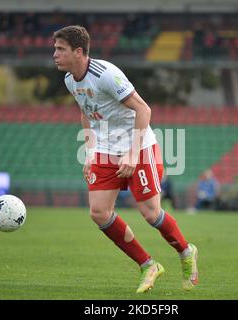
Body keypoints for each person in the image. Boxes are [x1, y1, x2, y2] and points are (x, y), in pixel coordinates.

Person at [53, 25, 198, 293]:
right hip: (106, 148)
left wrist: (132, 153)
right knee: (98, 213)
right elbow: (86, 113)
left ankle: (186, 251)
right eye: (55, 49)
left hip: (139, 145)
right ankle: (148, 265)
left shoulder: (106, 74)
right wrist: (90, 152)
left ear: (78, 52)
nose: (55, 54)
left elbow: (144, 109)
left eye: (60, 49)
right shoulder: (70, 80)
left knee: (150, 213)